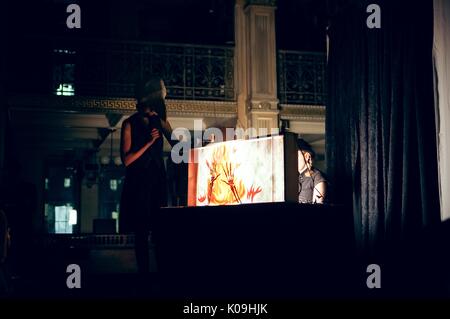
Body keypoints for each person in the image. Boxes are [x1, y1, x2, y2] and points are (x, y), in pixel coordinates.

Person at [119, 76, 175, 278]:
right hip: (138, 183)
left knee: (160, 230)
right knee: (141, 232)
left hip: (157, 180)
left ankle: (162, 272)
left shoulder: (159, 121)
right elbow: (127, 160)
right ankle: (144, 274)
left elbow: (178, 145)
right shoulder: (129, 124)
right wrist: (149, 144)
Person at [297, 139, 327, 204]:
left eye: (295, 156)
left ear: (306, 156)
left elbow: (318, 208)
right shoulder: (293, 177)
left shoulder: (317, 177)